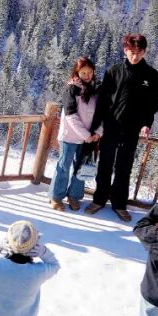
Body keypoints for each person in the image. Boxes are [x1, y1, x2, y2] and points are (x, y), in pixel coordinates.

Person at [86, 33, 158, 222]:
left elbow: (152, 104)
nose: (135, 56)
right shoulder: (114, 71)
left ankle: (119, 204)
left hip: (132, 129)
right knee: (105, 163)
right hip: (111, 126)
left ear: (144, 52)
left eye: (139, 52)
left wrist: (146, 124)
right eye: (132, 52)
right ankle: (99, 199)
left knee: (124, 167)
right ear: (125, 50)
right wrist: (96, 126)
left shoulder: (151, 75)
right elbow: (103, 101)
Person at [49, 56, 103, 212]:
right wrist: (86, 135)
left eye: (90, 72)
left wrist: (98, 132)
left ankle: (74, 196)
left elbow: (102, 114)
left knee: (82, 167)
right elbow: (70, 115)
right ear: (77, 72)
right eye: (83, 72)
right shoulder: (71, 89)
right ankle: (56, 197)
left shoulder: (96, 90)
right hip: (70, 136)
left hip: (88, 139)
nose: (87, 76)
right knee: (64, 166)